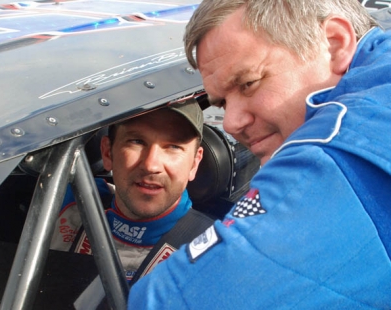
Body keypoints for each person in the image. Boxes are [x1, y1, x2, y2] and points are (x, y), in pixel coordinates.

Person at [128, 0, 391, 308]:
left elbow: (169, 300)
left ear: (333, 44)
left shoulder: (336, 150)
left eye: (248, 84)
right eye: (223, 103)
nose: (230, 123)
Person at [50, 98, 211, 282]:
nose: (151, 165)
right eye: (137, 141)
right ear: (108, 153)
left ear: (194, 163)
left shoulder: (213, 256)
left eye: (173, 146)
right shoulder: (64, 201)